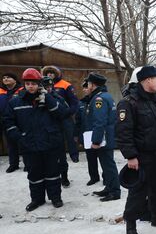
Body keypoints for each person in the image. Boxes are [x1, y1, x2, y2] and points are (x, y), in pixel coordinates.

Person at [116, 65, 156, 234]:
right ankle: (131, 227)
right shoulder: (128, 103)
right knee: (138, 192)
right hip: (142, 156)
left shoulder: (155, 102)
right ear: (148, 80)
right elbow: (123, 132)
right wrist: (131, 156)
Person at [2, 68, 70, 211]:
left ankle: (55, 198)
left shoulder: (51, 98)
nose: (30, 86)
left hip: (50, 144)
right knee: (34, 175)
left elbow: (63, 114)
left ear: (39, 84)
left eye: (33, 83)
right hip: (29, 146)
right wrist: (20, 138)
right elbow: (8, 122)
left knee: (52, 174)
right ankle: (37, 199)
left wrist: (49, 99)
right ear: (24, 85)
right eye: (27, 84)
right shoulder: (16, 101)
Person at [79, 73, 121, 202]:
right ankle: (109, 187)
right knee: (106, 164)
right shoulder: (104, 96)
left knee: (108, 165)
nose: (88, 86)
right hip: (106, 136)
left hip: (103, 138)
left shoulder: (99, 99)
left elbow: (99, 121)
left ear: (93, 84)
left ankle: (114, 191)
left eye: (89, 84)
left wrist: (96, 140)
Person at [41, 65, 80, 187]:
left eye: (52, 73)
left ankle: (73, 156)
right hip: (47, 124)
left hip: (63, 118)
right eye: (47, 73)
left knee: (69, 138)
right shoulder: (37, 91)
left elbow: (73, 102)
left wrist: (68, 113)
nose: (50, 75)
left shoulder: (64, 85)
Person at [74, 79, 101, 186]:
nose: (85, 90)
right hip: (87, 135)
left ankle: (106, 177)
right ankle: (94, 177)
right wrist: (76, 134)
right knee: (90, 158)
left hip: (98, 133)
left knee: (103, 157)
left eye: (87, 87)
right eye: (84, 88)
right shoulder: (81, 103)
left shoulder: (98, 100)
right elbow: (78, 121)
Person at [1, 72, 23, 172]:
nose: (5, 79)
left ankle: (28, 163)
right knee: (10, 144)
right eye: (4, 78)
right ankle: (13, 164)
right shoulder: (1, 91)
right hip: (6, 120)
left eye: (8, 77)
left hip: (20, 120)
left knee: (23, 142)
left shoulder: (22, 90)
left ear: (15, 79)